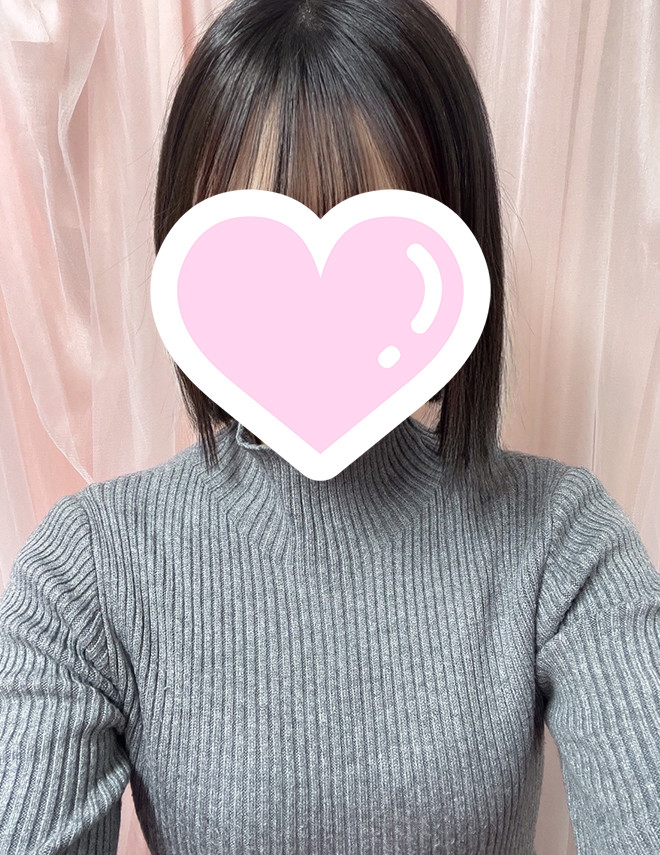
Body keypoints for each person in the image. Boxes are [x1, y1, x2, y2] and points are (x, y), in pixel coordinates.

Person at [1, 1, 658, 853]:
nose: (314, 321)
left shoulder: (564, 539)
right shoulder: (89, 570)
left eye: (372, 262)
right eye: (257, 261)